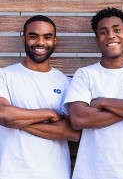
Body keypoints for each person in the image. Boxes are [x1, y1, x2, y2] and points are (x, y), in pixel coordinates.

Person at [63, 7, 123, 179]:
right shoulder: (85, 74)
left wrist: (102, 102)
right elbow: (79, 119)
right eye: (104, 32)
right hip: (92, 172)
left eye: (117, 30)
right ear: (97, 40)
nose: (111, 35)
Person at [0, 15, 81, 179]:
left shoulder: (66, 83)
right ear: (24, 39)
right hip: (11, 171)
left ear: (55, 41)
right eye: (33, 36)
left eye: (47, 37)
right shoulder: (4, 75)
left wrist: (16, 120)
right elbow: (3, 114)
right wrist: (49, 114)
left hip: (54, 173)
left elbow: (72, 132)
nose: (40, 42)